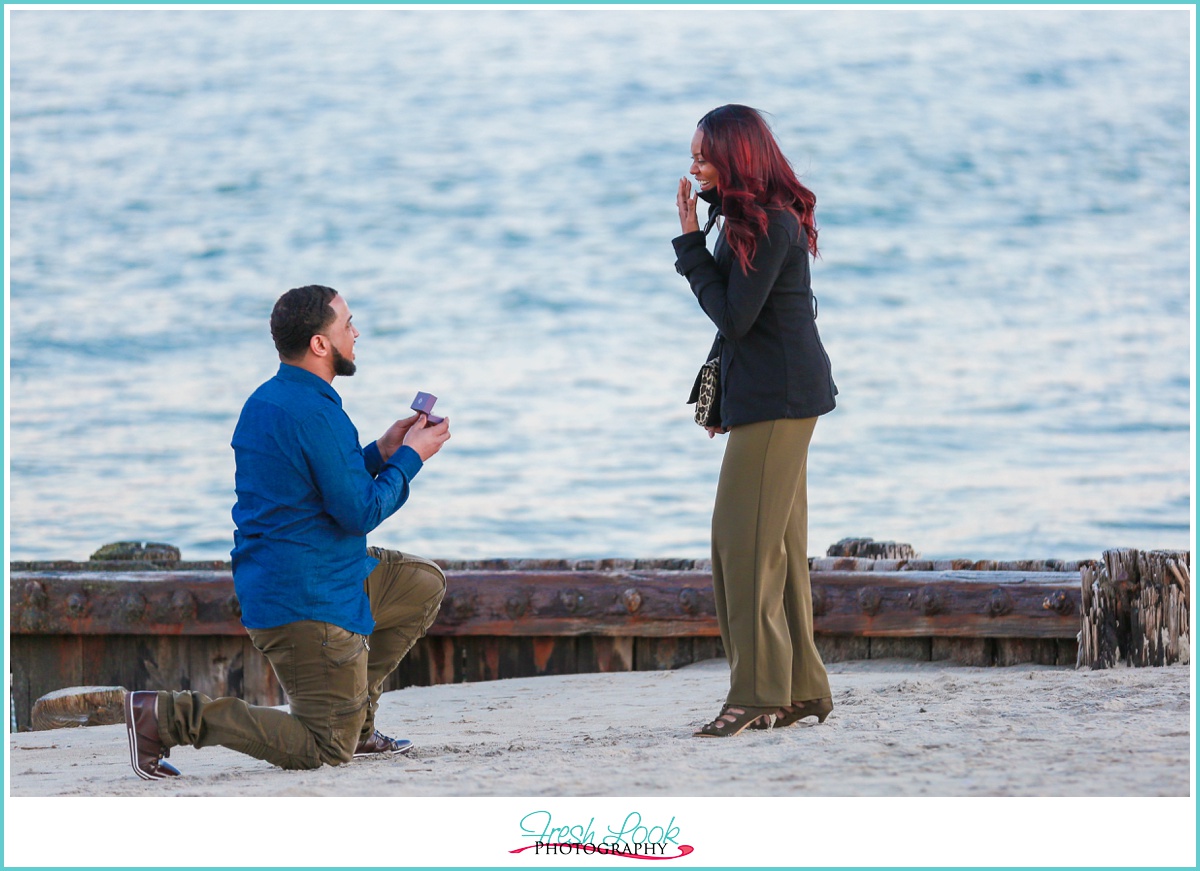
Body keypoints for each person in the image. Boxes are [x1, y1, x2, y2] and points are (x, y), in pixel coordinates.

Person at [123, 284, 451, 778]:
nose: (356, 332)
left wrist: (382, 451)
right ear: (320, 344)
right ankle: (168, 716)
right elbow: (358, 513)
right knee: (321, 748)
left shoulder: (273, 399)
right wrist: (411, 459)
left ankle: (356, 720)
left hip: (314, 572)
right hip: (308, 599)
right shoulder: (315, 412)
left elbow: (322, 489)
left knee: (420, 583)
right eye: (347, 324)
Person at [673, 105, 838, 737]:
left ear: (737, 158)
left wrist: (689, 244)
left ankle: (756, 694)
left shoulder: (769, 224)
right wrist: (721, 402)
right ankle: (799, 690)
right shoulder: (750, 223)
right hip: (774, 397)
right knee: (777, 553)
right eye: (693, 155)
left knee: (741, 550)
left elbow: (734, 320)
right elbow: (746, 327)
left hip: (783, 402)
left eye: (703, 155)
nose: (693, 166)